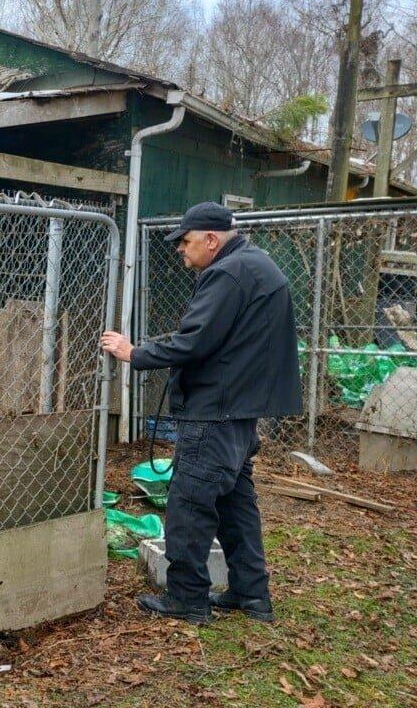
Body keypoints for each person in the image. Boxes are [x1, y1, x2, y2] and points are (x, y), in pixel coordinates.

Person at [101, 201, 302, 625]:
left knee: (190, 505)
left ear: (212, 239)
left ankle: (188, 599)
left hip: (215, 412)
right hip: (241, 412)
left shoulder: (227, 273)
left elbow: (194, 342)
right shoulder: (257, 264)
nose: (180, 249)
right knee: (235, 506)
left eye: (186, 241)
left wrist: (134, 352)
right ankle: (251, 594)